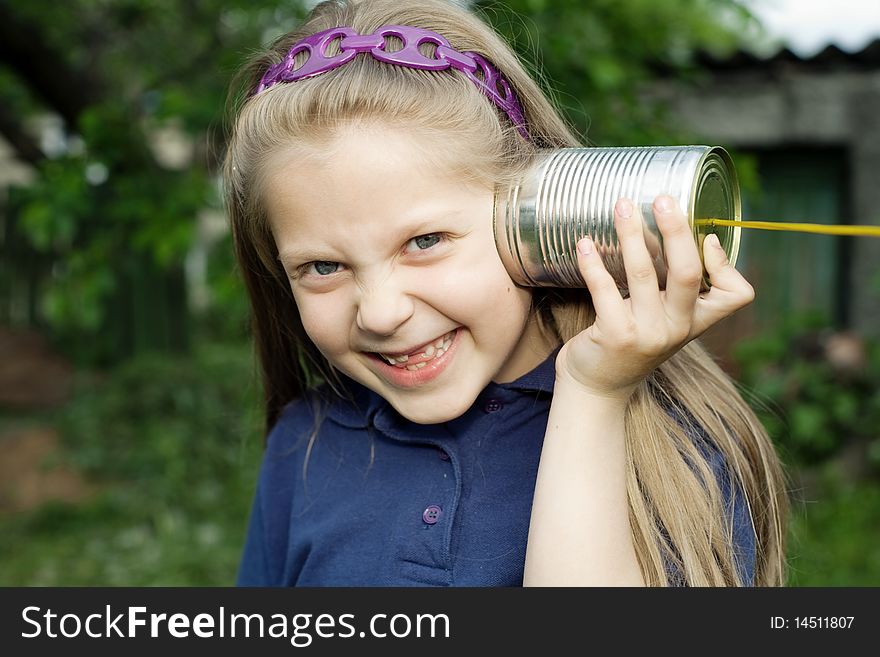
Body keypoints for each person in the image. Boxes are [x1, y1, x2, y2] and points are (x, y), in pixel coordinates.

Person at [224, 0, 789, 586]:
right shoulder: (306, 444)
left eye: (425, 241)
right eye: (322, 266)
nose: (382, 313)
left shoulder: (675, 449)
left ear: (533, 215)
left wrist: (594, 395)